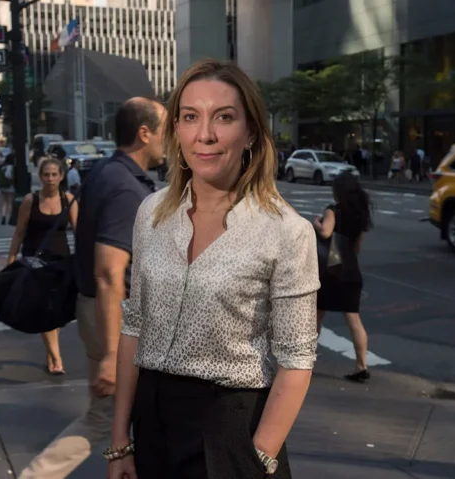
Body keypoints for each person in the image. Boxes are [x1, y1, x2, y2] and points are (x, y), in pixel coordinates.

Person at [108, 60, 319, 479]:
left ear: (252, 133)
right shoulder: (152, 213)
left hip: (230, 428)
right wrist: (119, 442)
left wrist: (257, 456)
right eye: (190, 117)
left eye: (224, 117)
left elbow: (297, 359)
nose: (205, 134)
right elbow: (134, 326)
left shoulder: (286, 232)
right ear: (177, 132)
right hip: (151, 422)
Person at [19, 97, 166, 479]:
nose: (174, 138)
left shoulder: (104, 172)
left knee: (134, 413)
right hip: (117, 316)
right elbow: (109, 273)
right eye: (167, 128)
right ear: (144, 133)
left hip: (102, 311)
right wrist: (112, 353)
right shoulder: (125, 189)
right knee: (106, 416)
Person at [7, 157, 78, 375]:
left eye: (54, 174)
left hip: (60, 261)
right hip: (34, 261)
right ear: (40, 176)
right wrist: (11, 258)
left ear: (61, 176)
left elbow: (80, 232)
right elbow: (19, 231)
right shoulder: (31, 200)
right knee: (43, 308)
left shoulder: (69, 200)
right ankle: (57, 359)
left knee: (53, 311)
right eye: (46, 175)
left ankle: (50, 354)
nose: (50, 179)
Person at [313, 170, 372, 382]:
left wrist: (318, 221)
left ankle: (306, 361)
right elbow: (356, 249)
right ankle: (361, 366)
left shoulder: (333, 210)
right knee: (354, 320)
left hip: (331, 272)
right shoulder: (360, 215)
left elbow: (326, 233)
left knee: (318, 315)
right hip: (351, 272)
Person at [0, 153, 16, 225]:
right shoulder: (12, 167)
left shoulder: (3, 167)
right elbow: (10, 176)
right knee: (10, 202)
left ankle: (3, 216)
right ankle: (10, 218)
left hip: (3, 186)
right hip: (10, 186)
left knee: (4, 202)